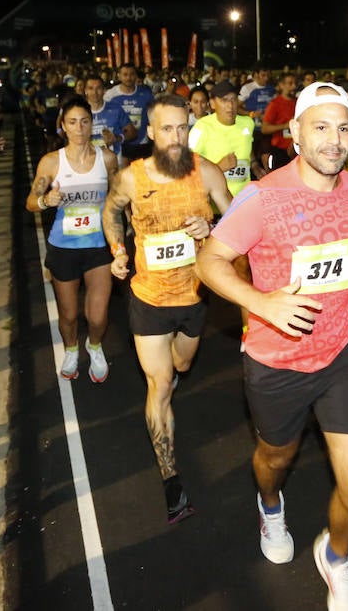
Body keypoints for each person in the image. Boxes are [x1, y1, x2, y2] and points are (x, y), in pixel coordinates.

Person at [196, 82, 348, 611]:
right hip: (276, 360)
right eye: (321, 127)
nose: (334, 140)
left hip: (341, 351)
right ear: (296, 135)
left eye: (343, 128)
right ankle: (270, 504)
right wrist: (262, 303)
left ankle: (337, 557)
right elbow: (208, 263)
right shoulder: (263, 196)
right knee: (275, 458)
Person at [104, 94, 232, 524]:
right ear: (151, 133)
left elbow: (236, 224)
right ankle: (170, 477)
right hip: (148, 297)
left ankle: (172, 377)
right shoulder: (131, 177)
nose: (176, 138)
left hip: (194, 297)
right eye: (167, 129)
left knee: (181, 365)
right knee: (159, 383)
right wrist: (118, 249)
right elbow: (111, 212)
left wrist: (211, 228)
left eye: (182, 128)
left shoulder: (207, 172)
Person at [28, 96, 120, 383]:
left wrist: (123, 236)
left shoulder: (106, 159)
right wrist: (46, 200)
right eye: (72, 122)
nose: (79, 128)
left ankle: (94, 346)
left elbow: (118, 199)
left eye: (84, 121)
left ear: (91, 123)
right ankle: (70, 349)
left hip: (98, 246)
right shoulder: (51, 162)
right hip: (64, 248)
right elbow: (31, 201)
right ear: (63, 127)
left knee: (97, 316)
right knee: (68, 315)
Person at [188, 79, 256, 196]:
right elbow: (187, 169)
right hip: (217, 201)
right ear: (213, 104)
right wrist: (218, 168)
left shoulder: (248, 123)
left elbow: (247, 148)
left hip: (244, 198)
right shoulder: (201, 128)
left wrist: (255, 165)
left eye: (233, 99)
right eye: (224, 100)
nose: (230, 105)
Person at [104, 63, 155, 160]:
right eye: (125, 74)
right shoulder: (110, 95)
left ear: (136, 75)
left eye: (131, 74)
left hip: (142, 142)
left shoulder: (146, 94)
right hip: (119, 143)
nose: (128, 78)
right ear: (119, 76)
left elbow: (154, 115)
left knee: (141, 174)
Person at [260, 71, 299, 170]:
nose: (294, 86)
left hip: (297, 150)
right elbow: (264, 129)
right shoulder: (275, 104)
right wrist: (285, 126)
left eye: (295, 83)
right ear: (281, 85)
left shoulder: (298, 102)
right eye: (290, 83)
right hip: (280, 152)